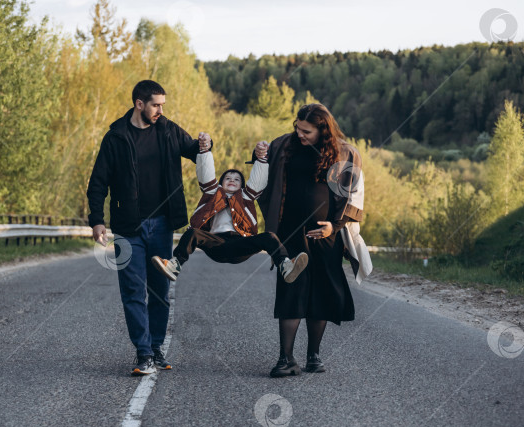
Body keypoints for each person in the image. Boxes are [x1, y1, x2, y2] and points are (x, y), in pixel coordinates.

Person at [87, 80, 211, 376]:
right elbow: (98, 183)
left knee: (159, 290)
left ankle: (156, 348)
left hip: (162, 224)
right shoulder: (116, 137)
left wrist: (205, 145)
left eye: (162, 105)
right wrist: (96, 220)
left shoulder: (168, 130)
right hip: (128, 228)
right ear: (139, 104)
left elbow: (194, 151)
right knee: (132, 292)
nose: (160, 110)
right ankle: (143, 353)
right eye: (155, 104)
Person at [256, 103, 368, 378]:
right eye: (297, 128)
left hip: (326, 236)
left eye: (306, 131)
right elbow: (263, 174)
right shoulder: (284, 146)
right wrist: (258, 153)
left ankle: (313, 356)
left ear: (323, 129)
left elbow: (353, 195)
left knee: (320, 294)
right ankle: (285, 359)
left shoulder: (344, 152)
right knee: (291, 290)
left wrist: (335, 226)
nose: (300, 134)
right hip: (289, 233)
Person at [151, 140, 308, 282]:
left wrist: (261, 159)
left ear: (242, 185)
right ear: (220, 183)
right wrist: (205, 150)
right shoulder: (213, 193)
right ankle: (175, 265)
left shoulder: (246, 197)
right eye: (228, 178)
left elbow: (258, 181)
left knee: (269, 237)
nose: (232, 180)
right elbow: (206, 175)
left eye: (236, 179)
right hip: (216, 243)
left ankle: (285, 266)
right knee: (192, 233)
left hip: (241, 243)